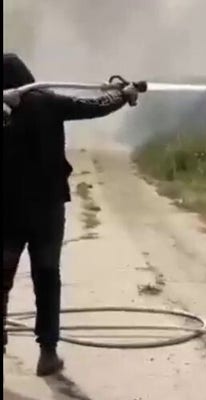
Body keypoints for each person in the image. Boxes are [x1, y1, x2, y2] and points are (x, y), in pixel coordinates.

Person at [2, 52, 140, 376]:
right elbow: (94, 107)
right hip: (46, 210)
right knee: (47, 277)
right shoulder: (48, 103)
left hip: (6, 212)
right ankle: (47, 353)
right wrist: (122, 94)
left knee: (1, 280)